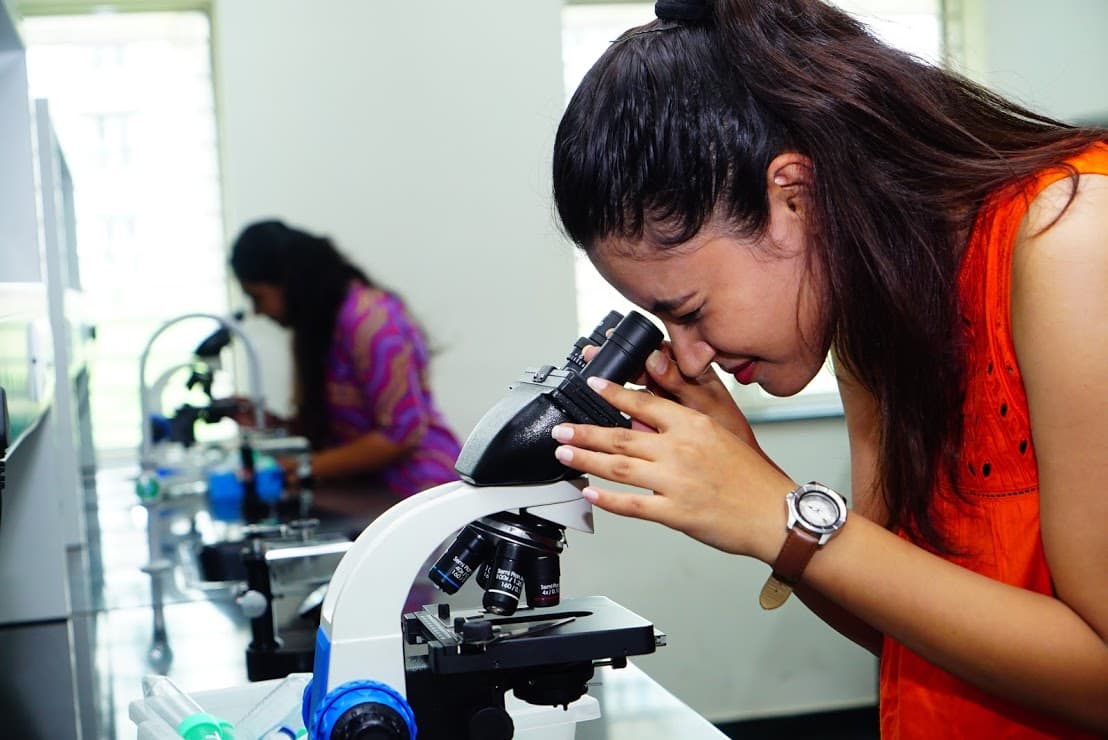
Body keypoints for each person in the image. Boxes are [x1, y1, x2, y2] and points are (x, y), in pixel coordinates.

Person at [548, 1, 1108, 737]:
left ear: (794, 197)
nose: (689, 353)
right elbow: (908, 627)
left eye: (687, 308)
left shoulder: (1072, 241)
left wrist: (774, 513)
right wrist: (754, 482)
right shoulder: (876, 307)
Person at [229, 219, 462, 518]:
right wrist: (272, 425)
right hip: (369, 496)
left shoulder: (371, 320)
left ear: (288, 280)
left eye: (257, 297)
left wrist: (304, 468)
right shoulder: (322, 328)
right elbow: (341, 431)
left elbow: (401, 434)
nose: (257, 311)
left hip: (419, 494)